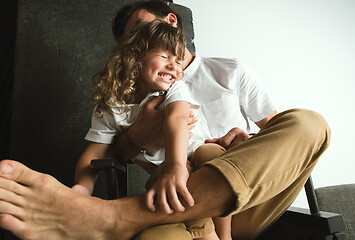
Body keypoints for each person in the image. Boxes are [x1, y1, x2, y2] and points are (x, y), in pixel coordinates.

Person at [0, 1, 331, 240]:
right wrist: (135, 139)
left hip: (250, 198)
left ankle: (113, 217)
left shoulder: (230, 71)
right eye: (132, 44)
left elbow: (280, 134)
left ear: (171, 22)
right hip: (176, 203)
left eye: (143, 33)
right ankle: (111, 216)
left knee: (309, 124)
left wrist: (249, 141)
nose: (139, 45)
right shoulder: (133, 95)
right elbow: (100, 152)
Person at [73, 18, 229, 240]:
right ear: (136, 57)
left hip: (197, 151)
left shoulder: (175, 89)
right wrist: (82, 188)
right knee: (176, 186)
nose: (173, 66)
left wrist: (176, 165)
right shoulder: (112, 105)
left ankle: (226, 235)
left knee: (212, 158)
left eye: (177, 61)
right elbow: (94, 153)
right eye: (165, 56)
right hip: (168, 170)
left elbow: (177, 118)